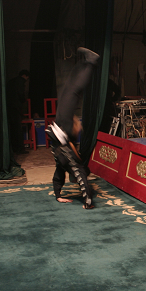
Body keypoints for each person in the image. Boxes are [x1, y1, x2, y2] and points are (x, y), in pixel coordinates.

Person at [46, 47, 99, 209]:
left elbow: (58, 175)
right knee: (72, 91)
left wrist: (58, 196)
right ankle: (90, 62)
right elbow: (82, 178)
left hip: (61, 129)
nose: (76, 178)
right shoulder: (73, 163)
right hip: (63, 129)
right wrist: (88, 203)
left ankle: (85, 63)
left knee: (68, 90)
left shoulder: (63, 162)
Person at [6, 69, 30, 154]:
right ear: (25, 76)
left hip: (9, 106)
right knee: (17, 128)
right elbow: (20, 94)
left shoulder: (11, 81)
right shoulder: (20, 82)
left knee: (12, 128)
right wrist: (23, 100)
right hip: (15, 107)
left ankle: (13, 147)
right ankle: (19, 148)